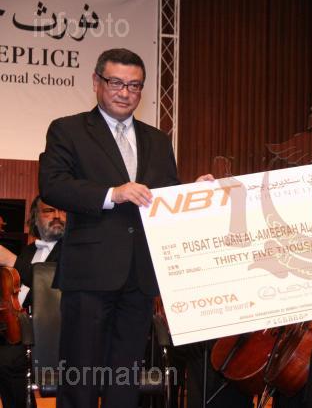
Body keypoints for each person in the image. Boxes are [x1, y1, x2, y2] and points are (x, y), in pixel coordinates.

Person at [38, 48, 212, 408]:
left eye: (134, 86)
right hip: (89, 274)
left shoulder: (158, 140)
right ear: (96, 82)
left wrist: (194, 193)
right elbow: (53, 185)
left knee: (125, 379)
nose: (124, 92)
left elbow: (164, 199)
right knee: (81, 377)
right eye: (116, 82)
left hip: (139, 276)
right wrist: (111, 194)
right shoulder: (68, 130)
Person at [0, 195, 66, 408]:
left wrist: (11, 260)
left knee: (6, 360)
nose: (57, 216)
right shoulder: (28, 251)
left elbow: (51, 289)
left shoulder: (73, 251)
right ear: (35, 218)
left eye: (62, 211)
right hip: (17, 329)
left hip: (49, 334)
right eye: (49, 211)